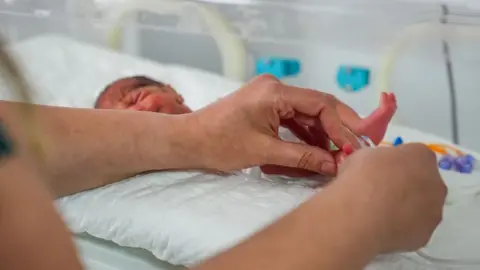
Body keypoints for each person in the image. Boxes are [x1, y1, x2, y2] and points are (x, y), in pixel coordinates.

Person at [0, 74, 446, 270]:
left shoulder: (218, 113)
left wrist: (194, 134)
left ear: (173, 91)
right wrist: (364, 209)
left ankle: (364, 134)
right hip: (355, 182)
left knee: (323, 133)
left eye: (137, 94)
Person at [94, 75, 397, 176]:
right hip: (270, 157)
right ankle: (343, 159)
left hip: (279, 124)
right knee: (289, 165)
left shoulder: (222, 104)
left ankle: (361, 125)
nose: (134, 112)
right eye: (121, 116)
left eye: (136, 98)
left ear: (173, 91)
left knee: (314, 100)